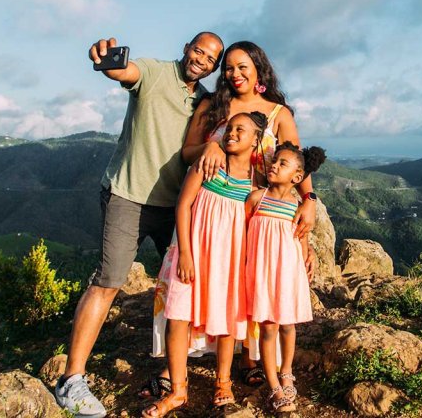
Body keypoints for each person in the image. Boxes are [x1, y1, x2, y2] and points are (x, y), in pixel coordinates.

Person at [54, 32, 224, 418]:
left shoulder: (207, 102)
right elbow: (123, 72)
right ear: (186, 48)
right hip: (127, 196)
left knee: (186, 285)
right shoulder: (154, 72)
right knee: (109, 281)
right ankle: (71, 380)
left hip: (176, 205)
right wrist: (107, 61)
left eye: (211, 59)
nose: (202, 60)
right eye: (199, 50)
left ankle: (172, 369)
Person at [140, 41, 317, 395]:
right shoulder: (213, 104)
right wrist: (210, 146)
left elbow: (294, 160)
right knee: (191, 286)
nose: (235, 74)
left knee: (238, 284)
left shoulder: (279, 113)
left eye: (243, 67)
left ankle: (248, 358)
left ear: (258, 69)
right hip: (209, 205)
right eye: (229, 68)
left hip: (254, 213)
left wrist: (309, 198)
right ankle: (177, 365)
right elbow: (187, 151)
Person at [143, 112, 266, 417]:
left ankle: (223, 383)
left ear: (256, 140)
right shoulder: (208, 164)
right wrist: (184, 252)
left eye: (242, 129)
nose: (232, 133)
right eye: (229, 127)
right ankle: (178, 390)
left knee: (227, 320)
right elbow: (183, 205)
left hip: (230, 260)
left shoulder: (254, 179)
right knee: (179, 317)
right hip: (194, 254)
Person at [244, 143, 326, 414]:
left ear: (297, 177)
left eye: (282, 164)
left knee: (288, 326)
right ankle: (273, 385)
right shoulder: (257, 198)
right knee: (268, 329)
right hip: (261, 273)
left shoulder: (299, 206)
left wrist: (306, 262)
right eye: (274, 161)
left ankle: (287, 371)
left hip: (288, 273)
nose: (274, 165)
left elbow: (301, 239)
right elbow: (242, 234)